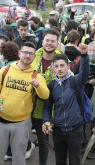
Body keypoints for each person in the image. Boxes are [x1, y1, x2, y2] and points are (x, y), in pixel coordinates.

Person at [0, 41, 49, 165]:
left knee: (19, 158)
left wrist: (38, 86)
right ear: (19, 53)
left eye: (31, 54)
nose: (28, 56)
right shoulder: (5, 70)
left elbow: (45, 94)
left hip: (22, 123)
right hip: (0, 121)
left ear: (34, 57)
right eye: (25, 52)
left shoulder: (36, 76)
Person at [42, 43, 90, 165]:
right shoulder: (51, 85)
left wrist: (84, 56)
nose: (59, 68)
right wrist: (46, 121)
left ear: (68, 66)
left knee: (75, 161)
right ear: (53, 68)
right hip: (58, 130)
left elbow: (84, 73)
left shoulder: (75, 81)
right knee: (60, 161)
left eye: (62, 65)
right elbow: (47, 107)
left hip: (75, 130)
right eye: (56, 66)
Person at [31, 28, 61, 165]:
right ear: (42, 41)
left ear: (57, 43)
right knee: (22, 137)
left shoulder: (61, 60)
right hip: (28, 105)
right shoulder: (33, 56)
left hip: (49, 109)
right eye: (47, 40)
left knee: (44, 141)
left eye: (53, 41)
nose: (49, 43)